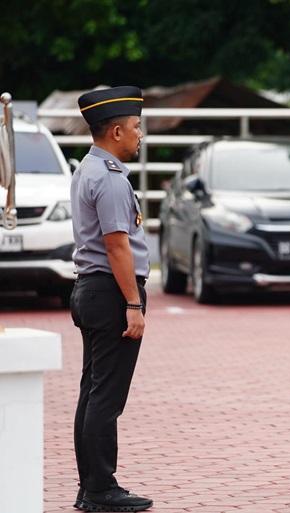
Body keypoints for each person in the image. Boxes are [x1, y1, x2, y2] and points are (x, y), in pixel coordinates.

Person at [70, 86, 153, 512]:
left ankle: (91, 486)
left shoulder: (88, 168)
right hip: (110, 292)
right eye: (137, 128)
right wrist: (133, 305)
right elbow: (117, 246)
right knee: (106, 396)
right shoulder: (110, 177)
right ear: (116, 131)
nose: (140, 135)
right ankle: (101, 489)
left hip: (91, 289)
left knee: (93, 390)